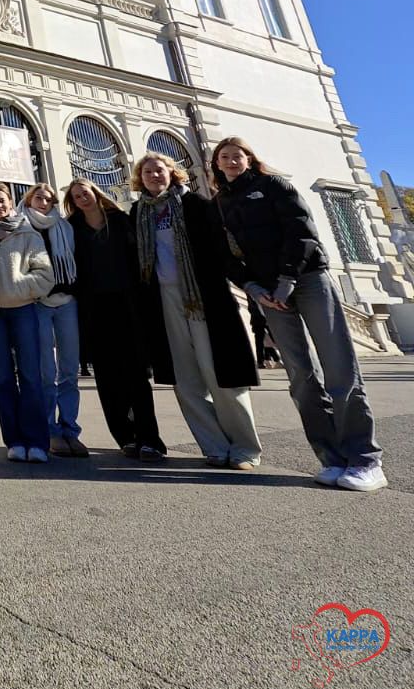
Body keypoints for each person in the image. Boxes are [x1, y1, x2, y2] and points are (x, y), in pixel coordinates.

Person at [211, 135, 386, 491]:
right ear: (215, 164)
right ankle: (332, 459)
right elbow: (224, 256)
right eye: (223, 157)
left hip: (306, 280)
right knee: (302, 379)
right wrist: (253, 287)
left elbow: (302, 231)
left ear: (249, 158)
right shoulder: (219, 204)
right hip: (269, 294)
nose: (230, 161)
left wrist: (287, 279)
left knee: (340, 372)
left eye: (236, 155)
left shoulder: (272, 184)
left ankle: (366, 461)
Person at [130, 153, 261, 470]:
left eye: (159, 170)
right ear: (140, 179)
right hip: (163, 300)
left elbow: (222, 247)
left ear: (172, 173)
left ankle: (245, 448)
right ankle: (213, 446)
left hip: (203, 296)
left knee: (220, 373)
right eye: (147, 172)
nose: (154, 176)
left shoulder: (196, 205)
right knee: (185, 378)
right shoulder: (139, 212)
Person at [64, 179, 165, 460]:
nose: (82, 198)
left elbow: (141, 257)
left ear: (95, 193)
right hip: (94, 309)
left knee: (136, 374)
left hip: (128, 305)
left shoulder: (120, 220)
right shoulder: (72, 228)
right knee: (108, 377)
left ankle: (150, 439)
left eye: (85, 192)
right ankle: (125, 437)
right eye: (76, 196)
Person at [0, 182, 54, 463]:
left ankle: (37, 441)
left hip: (23, 310)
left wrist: (17, 287)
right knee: (2, 378)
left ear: (11, 203)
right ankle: (14, 440)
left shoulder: (27, 234)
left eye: (3, 201)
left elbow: (45, 276)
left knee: (31, 376)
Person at [22, 183, 87, 458]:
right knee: (46, 371)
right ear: (29, 199)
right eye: (39, 197)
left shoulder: (65, 227)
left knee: (70, 369)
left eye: (49, 199)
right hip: (38, 303)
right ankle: (49, 430)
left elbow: (74, 259)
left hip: (66, 301)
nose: (44, 202)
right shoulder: (21, 226)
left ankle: (70, 428)